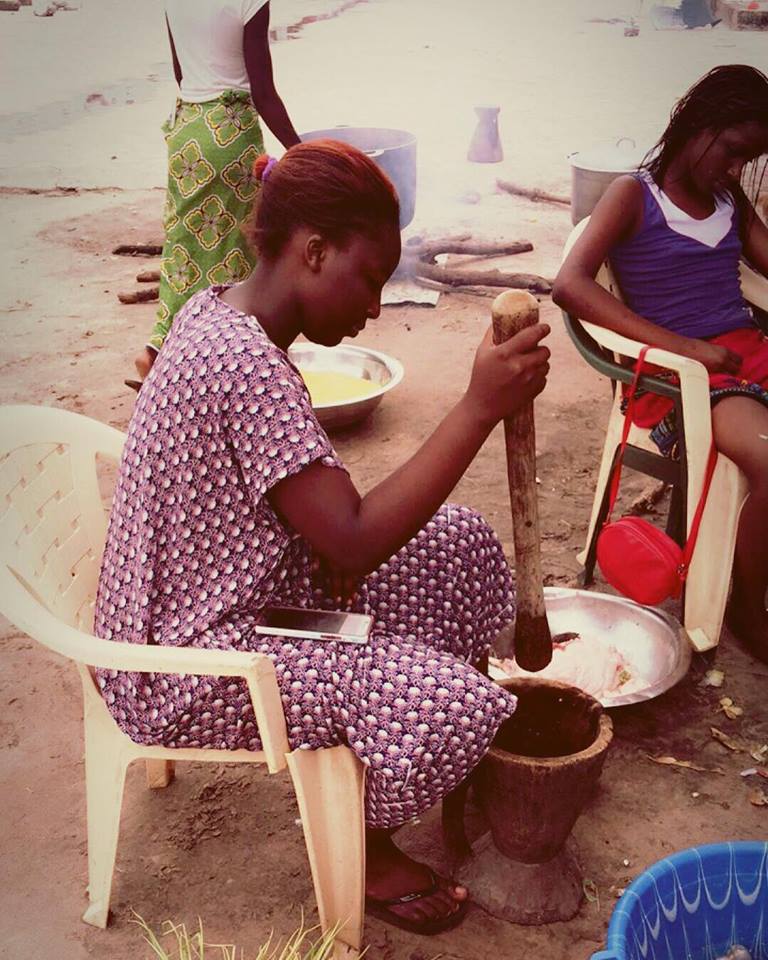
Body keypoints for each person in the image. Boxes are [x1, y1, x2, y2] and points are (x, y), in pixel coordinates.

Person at [96, 140, 551, 934]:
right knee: (437, 703)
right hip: (185, 664)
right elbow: (349, 540)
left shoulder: (219, 314)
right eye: (369, 279)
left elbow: (310, 512)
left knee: (455, 544)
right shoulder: (243, 364)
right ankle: (360, 844)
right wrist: (479, 406)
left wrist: (329, 543)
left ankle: (390, 785)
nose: (374, 306)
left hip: (231, 595)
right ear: (312, 251)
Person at [553, 64, 768, 657]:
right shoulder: (633, 197)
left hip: (744, 356)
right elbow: (570, 286)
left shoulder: (729, 201)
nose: (734, 170)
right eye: (732, 151)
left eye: (746, 160)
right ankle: (747, 613)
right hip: (684, 379)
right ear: (697, 125)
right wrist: (687, 349)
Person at [133, 0, 301, 383]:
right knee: (236, 255)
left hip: (187, 132)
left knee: (184, 251)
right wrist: (301, 149)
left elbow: (181, 74)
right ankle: (238, 366)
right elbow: (264, 93)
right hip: (230, 133)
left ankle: (157, 351)